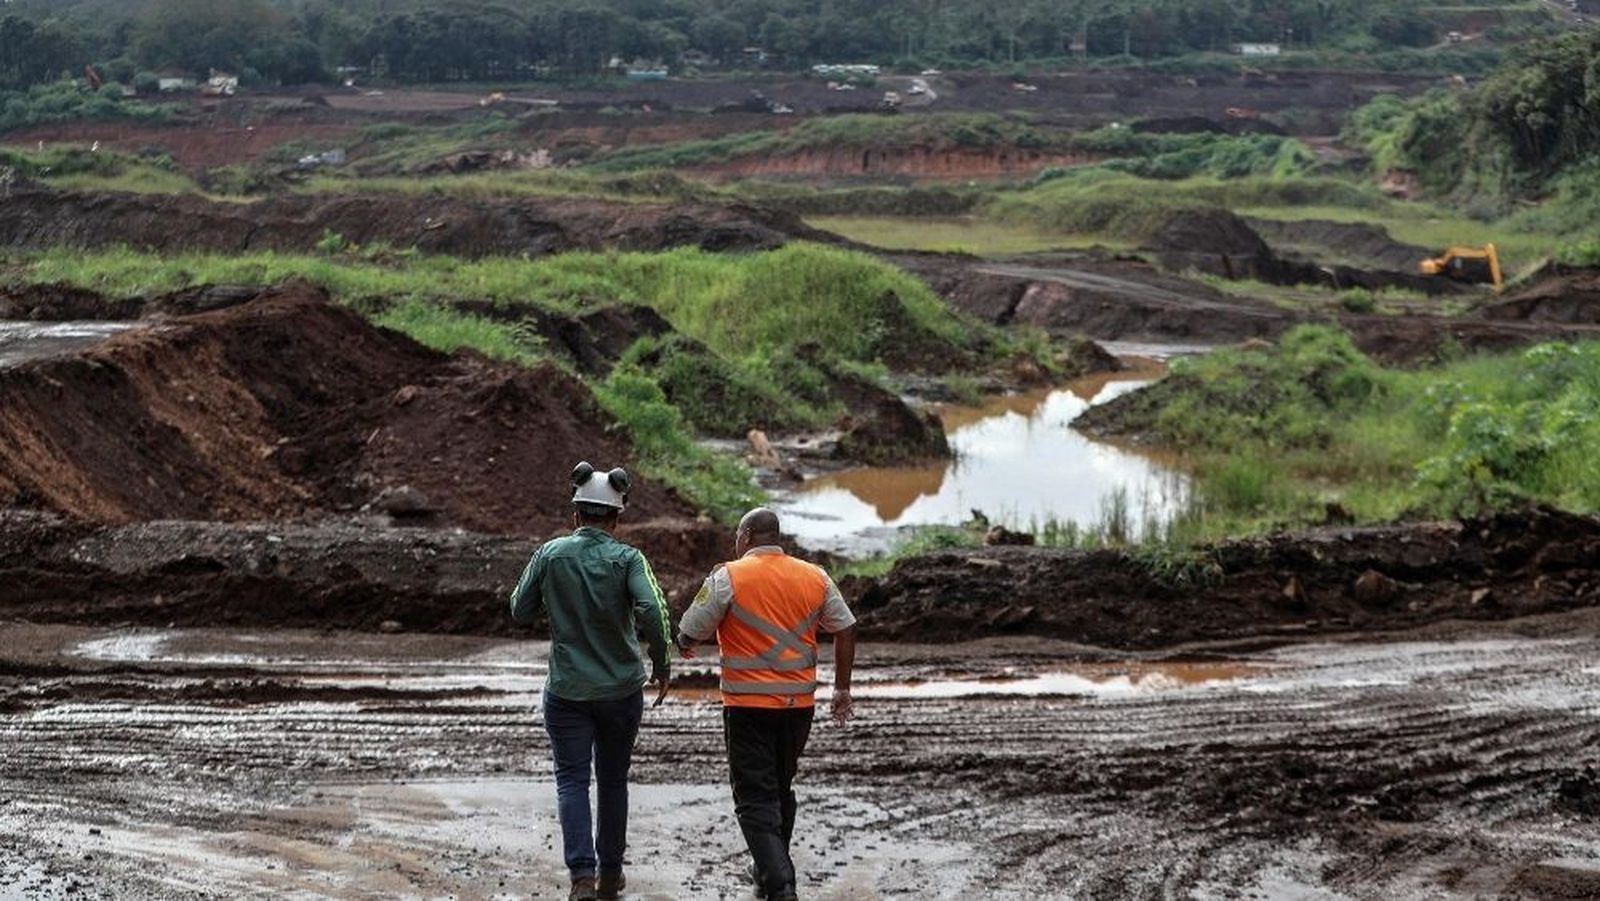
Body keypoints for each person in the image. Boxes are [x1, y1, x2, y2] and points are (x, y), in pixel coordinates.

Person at [676, 507, 857, 901]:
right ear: (777, 537)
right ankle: (766, 872)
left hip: (747, 706)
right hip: (798, 707)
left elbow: (690, 630)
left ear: (745, 537)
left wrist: (684, 644)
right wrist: (842, 689)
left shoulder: (729, 575)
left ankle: (780, 883)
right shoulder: (815, 576)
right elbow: (845, 627)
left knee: (754, 797)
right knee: (779, 787)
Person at [510, 461, 672, 901]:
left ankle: (581, 876)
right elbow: (653, 613)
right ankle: (610, 875)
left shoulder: (549, 554)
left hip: (566, 690)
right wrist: (661, 664)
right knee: (614, 780)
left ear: (575, 514)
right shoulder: (629, 559)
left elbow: (519, 610)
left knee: (571, 779)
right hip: (621, 690)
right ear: (617, 519)